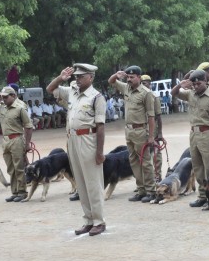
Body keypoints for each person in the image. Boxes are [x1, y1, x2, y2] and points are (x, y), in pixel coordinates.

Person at [47, 63, 107, 236]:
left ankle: (98, 220)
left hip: (89, 139)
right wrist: (60, 78)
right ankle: (88, 220)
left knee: (93, 182)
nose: (77, 79)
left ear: (91, 77)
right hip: (72, 139)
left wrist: (100, 152)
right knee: (80, 182)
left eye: (81, 76)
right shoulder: (72, 91)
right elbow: (51, 89)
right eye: (76, 77)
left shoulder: (97, 97)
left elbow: (101, 126)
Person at [171, 69, 209, 207]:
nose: (195, 86)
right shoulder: (191, 94)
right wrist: (180, 85)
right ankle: (202, 196)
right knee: (197, 166)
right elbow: (174, 93)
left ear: (205, 81)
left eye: (198, 83)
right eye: (193, 84)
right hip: (193, 134)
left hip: (207, 134)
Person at [108, 66, 157, 203]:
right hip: (129, 131)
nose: (129, 79)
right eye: (128, 77)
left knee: (146, 162)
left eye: (132, 77)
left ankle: (151, 191)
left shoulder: (146, 93)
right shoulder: (126, 88)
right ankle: (141, 190)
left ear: (139, 78)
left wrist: (151, 136)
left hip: (141, 130)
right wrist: (116, 75)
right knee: (134, 162)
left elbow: (151, 117)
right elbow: (111, 81)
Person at [0, 86, 33, 202]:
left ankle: (22, 192)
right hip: (5, 140)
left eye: (6, 97)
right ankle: (15, 192)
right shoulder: (2, 107)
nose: (4, 99)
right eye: (2, 96)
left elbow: (28, 127)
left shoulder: (20, 108)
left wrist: (27, 144)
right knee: (10, 168)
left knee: (19, 168)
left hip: (17, 139)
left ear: (13, 96)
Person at [141, 74, 164, 181]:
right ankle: (146, 178)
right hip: (141, 128)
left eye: (145, 83)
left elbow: (158, 117)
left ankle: (157, 175)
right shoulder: (140, 95)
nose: (143, 85)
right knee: (142, 153)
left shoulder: (154, 97)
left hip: (152, 128)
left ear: (150, 84)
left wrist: (159, 133)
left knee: (155, 152)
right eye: (141, 83)